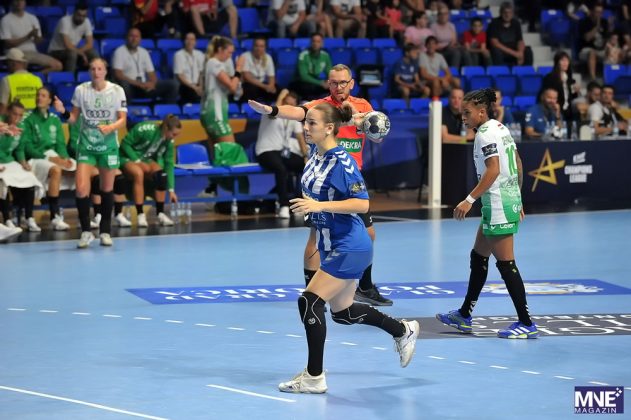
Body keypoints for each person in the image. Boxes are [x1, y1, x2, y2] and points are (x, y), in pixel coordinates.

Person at [277, 101, 420, 393]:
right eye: (306, 122)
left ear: (329, 128)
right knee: (343, 313)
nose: (306, 127)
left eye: (312, 123)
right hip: (332, 244)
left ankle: (314, 377)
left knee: (309, 301)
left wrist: (319, 206)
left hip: (351, 245)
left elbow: (362, 204)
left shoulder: (343, 163)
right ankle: (403, 330)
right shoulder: (316, 152)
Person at [249, 64, 393, 306]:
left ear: (351, 83)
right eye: (334, 83)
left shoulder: (363, 106)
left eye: (343, 82)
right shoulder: (321, 107)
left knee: (368, 234)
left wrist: (361, 122)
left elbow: (376, 135)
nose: (339, 87)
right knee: (315, 237)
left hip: (350, 180)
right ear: (329, 84)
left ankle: (365, 287)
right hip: (324, 179)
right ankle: (312, 292)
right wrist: (272, 110)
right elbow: (297, 112)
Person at [436, 87, 538, 339]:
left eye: (467, 113)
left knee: (506, 264)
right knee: (478, 256)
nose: (463, 117)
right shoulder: (500, 128)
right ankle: (464, 315)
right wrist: (518, 196)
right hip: (503, 200)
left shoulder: (484, 134)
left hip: (498, 203)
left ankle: (526, 323)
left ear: (481, 112)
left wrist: (468, 200)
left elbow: (493, 169)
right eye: (462, 113)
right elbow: (517, 161)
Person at [54, 58, 127, 248]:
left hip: (108, 146)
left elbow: (123, 120)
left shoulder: (117, 90)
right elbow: (73, 118)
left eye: (100, 68)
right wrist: (63, 112)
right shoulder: (81, 90)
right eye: (93, 69)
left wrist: (111, 127)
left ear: (105, 71)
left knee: (106, 189)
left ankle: (105, 231)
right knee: (81, 188)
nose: (96, 72)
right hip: (87, 145)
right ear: (89, 71)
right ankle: (86, 231)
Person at [21, 87, 75, 231]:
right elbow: (27, 147)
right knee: (56, 170)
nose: (39, 98)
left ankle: (93, 216)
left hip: (53, 156)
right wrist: (50, 158)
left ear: (50, 100)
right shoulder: (28, 119)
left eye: (43, 96)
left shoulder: (54, 119)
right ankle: (54, 216)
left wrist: (64, 158)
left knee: (81, 169)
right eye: (38, 95)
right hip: (36, 158)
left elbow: (60, 143)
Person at [255, 89, 308, 219]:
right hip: (265, 151)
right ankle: (284, 206)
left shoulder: (294, 118)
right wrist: (281, 96)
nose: (288, 107)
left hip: (281, 152)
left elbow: (300, 138)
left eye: (292, 105)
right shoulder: (269, 111)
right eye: (286, 103)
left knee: (305, 166)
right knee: (281, 169)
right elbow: (273, 114)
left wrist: (305, 157)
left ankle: (300, 203)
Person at [120, 115, 180, 227]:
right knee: (138, 173)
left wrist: (171, 190)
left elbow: (169, 164)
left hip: (145, 159)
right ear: (166, 128)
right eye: (174, 134)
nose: (174, 137)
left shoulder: (169, 142)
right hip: (126, 157)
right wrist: (137, 160)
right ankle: (140, 214)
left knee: (161, 175)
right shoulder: (145, 129)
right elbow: (125, 144)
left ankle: (160, 213)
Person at [0, 100, 44, 233]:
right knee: (3, 182)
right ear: (8, 112)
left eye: (20, 115)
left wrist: (23, 162)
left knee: (29, 177)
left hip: (9, 161)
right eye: (14, 114)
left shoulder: (21, 127)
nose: (17, 118)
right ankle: (7, 219)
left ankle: (29, 217)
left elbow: (19, 149)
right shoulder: (1, 123)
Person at [112, 28, 178, 104]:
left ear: (140, 39)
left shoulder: (144, 52)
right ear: (127, 38)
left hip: (144, 86)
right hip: (131, 86)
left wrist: (152, 84)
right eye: (131, 36)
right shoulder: (119, 52)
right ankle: (126, 110)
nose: (134, 39)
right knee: (124, 85)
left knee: (173, 84)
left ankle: (166, 110)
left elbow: (151, 73)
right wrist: (139, 84)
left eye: (137, 36)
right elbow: (118, 75)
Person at [0, 0, 62, 75]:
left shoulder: (32, 18)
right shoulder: (6, 20)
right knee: (21, 66)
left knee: (57, 66)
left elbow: (38, 41)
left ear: (25, 2)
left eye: (21, 1)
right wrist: (28, 36)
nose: (19, 3)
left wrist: (36, 36)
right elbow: (8, 44)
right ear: (12, 2)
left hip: (32, 53)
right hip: (15, 53)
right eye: (17, 0)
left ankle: (33, 77)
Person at [47, 2, 99, 73]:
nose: (81, 18)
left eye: (83, 16)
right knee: (72, 54)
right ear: (74, 13)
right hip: (56, 51)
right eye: (79, 15)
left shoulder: (86, 22)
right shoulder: (64, 21)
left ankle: (97, 76)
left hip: (72, 50)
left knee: (93, 52)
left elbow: (90, 44)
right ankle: (69, 77)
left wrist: (80, 52)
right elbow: (67, 45)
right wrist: (81, 54)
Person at [0, 48, 44, 115]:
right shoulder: (37, 79)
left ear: (12, 63)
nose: (6, 66)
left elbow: (3, 106)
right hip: (34, 118)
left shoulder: (6, 80)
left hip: (16, 118)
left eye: (7, 63)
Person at [487, 1, 531, 66]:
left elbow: (520, 40)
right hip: (502, 50)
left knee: (528, 51)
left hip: (513, 49)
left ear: (512, 14)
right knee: (496, 51)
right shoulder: (494, 23)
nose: (507, 15)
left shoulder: (516, 23)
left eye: (510, 13)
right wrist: (514, 53)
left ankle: (527, 71)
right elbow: (495, 43)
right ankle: (500, 71)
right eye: (505, 12)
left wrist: (520, 53)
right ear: (501, 13)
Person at [290, 33, 332, 100]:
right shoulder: (303, 55)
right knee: (306, 87)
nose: (315, 44)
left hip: (315, 81)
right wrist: (321, 83)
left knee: (332, 87)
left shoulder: (325, 56)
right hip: (302, 82)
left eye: (318, 41)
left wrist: (328, 82)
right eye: (313, 41)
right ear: (310, 43)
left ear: (322, 44)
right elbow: (304, 76)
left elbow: (330, 74)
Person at [540, 51, 579, 122]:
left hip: (569, 112)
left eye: (567, 60)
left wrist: (576, 92)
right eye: (562, 60)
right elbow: (546, 95)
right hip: (554, 109)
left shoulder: (571, 80)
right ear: (557, 62)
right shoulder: (549, 78)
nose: (565, 63)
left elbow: (571, 97)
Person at [236, 37, 277, 104]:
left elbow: (271, 76)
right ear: (253, 46)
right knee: (251, 89)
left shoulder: (268, 57)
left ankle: (270, 108)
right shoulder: (245, 56)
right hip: (249, 84)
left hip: (262, 84)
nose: (259, 48)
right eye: (256, 46)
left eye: (261, 46)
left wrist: (271, 86)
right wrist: (265, 87)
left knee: (276, 90)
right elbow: (247, 77)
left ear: (265, 48)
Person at [430, 4, 468, 68]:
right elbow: (432, 44)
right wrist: (445, 46)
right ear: (438, 16)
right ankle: (453, 72)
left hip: (450, 48)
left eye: (445, 14)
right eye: (441, 14)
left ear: (448, 15)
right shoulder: (433, 26)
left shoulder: (451, 25)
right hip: (440, 50)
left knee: (465, 52)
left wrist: (451, 45)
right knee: (456, 53)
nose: (443, 16)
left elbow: (454, 40)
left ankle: (471, 72)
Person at [577, 3, 609, 81]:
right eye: (597, 12)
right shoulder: (584, 22)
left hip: (601, 49)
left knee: (612, 50)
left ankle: (610, 77)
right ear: (592, 12)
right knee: (592, 52)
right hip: (586, 49)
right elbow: (587, 38)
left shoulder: (604, 22)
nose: (599, 14)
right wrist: (596, 27)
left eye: (601, 12)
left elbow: (607, 38)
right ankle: (593, 78)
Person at [173, 32, 206, 104]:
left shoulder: (200, 54)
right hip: (185, 85)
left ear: (195, 42)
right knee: (194, 95)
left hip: (198, 85)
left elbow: (201, 73)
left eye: (192, 39)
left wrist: (200, 86)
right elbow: (180, 76)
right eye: (187, 39)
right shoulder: (178, 55)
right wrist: (194, 88)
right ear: (184, 41)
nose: (190, 42)